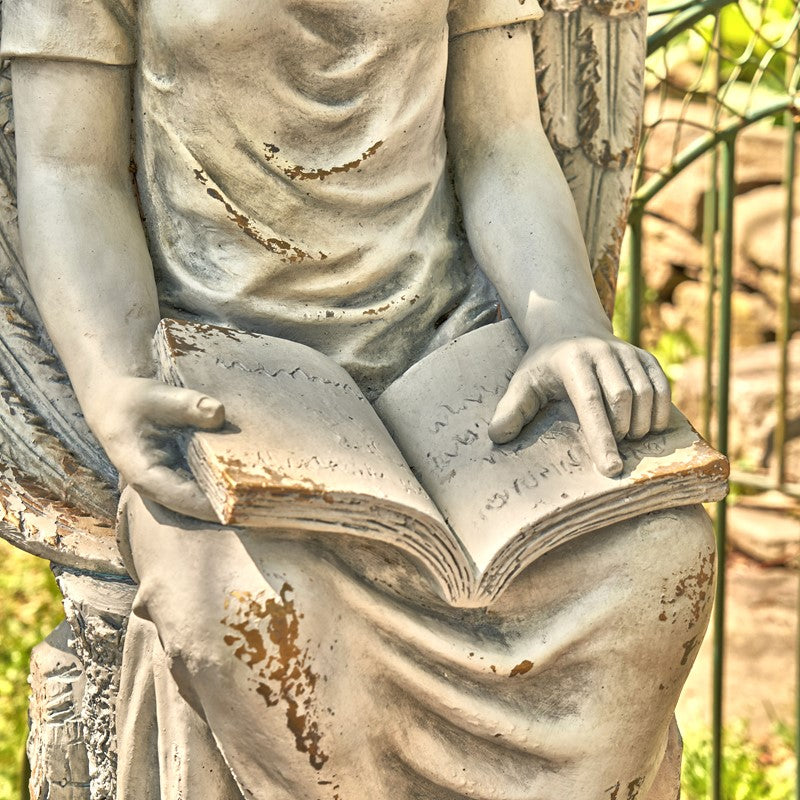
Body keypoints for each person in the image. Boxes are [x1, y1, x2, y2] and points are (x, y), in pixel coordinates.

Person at [3, 1, 715, 797]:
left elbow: (503, 140)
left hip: (455, 369)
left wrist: (567, 327)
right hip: (234, 398)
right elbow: (68, 169)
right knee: (241, 613)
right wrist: (112, 379)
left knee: (662, 555)